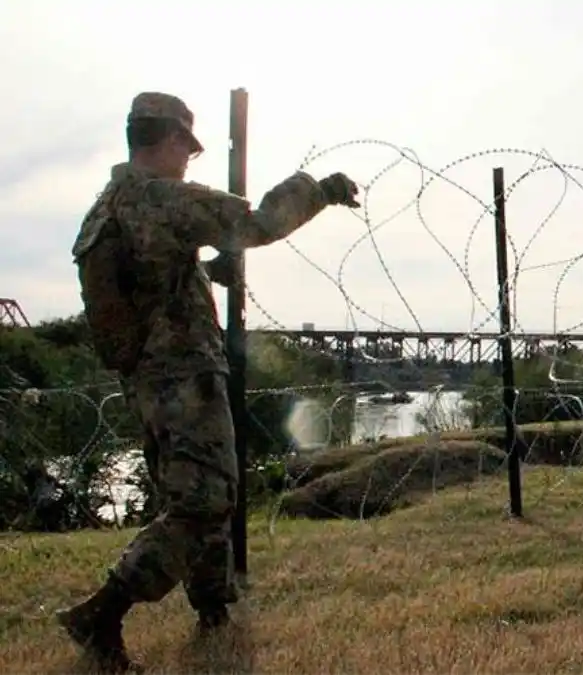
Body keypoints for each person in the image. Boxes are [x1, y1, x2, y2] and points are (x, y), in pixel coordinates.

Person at [61, 91, 361, 673]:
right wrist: (319, 189)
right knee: (204, 501)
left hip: (146, 379)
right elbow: (256, 224)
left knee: (197, 494)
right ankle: (103, 611)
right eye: (188, 148)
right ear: (170, 140)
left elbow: (146, 278)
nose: (189, 159)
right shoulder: (165, 198)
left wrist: (202, 271)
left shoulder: (109, 206)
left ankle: (214, 612)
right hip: (185, 375)